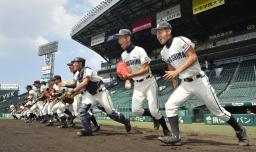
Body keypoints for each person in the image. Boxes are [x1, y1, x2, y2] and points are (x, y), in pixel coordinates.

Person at [151, 21, 249, 146]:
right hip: (185, 84)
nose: (158, 35)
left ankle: (240, 131)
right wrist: (175, 82)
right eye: (156, 33)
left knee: (218, 112)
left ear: (169, 31)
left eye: (160, 32)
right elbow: (170, 65)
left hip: (199, 81)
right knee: (170, 105)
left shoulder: (180, 40)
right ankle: (176, 137)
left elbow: (193, 57)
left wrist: (177, 72)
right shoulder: (163, 52)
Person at [116, 29, 170, 136]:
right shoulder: (123, 55)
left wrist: (130, 76)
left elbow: (145, 69)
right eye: (118, 38)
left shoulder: (139, 50)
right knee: (136, 110)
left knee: (154, 110)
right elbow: (127, 71)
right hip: (137, 84)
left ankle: (166, 130)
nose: (119, 41)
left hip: (149, 81)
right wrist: (125, 78)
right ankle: (153, 117)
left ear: (128, 38)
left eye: (121, 38)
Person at [69, 57, 131, 136]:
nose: (73, 64)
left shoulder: (87, 69)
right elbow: (79, 89)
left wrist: (73, 90)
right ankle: (87, 130)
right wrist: (71, 95)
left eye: (75, 62)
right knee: (82, 110)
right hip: (90, 94)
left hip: (101, 93)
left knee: (111, 113)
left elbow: (85, 82)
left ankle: (126, 121)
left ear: (80, 63)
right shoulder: (78, 76)